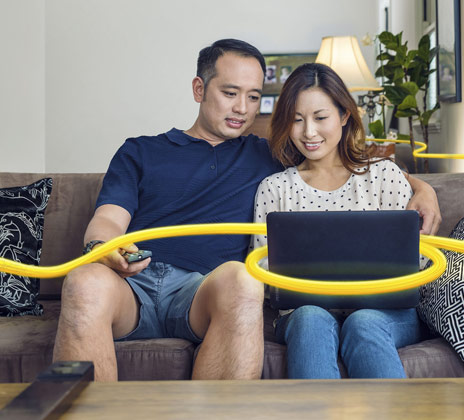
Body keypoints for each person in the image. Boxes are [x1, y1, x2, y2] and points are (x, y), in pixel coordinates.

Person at [52, 39, 442, 382]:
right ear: (199, 89)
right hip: (132, 284)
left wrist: (423, 188)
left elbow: (344, 167)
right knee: (84, 281)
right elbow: (107, 219)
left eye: (254, 96)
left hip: (204, 291)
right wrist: (105, 249)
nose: (242, 108)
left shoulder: (267, 155)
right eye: (230, 92)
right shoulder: (141, 150)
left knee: (243, 279)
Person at [251, 63, 423, 379]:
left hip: (385, 313)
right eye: (296, 120)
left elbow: (418, 260)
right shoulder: (275, 188)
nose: (309, 132)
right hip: (303, 313)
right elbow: (263, 275)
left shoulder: (384, 175)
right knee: (310, 319)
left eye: (320, 118)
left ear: (344, 116)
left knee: (364, 322)